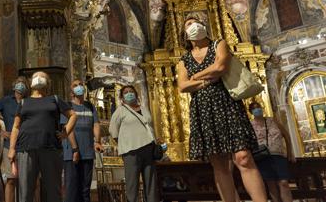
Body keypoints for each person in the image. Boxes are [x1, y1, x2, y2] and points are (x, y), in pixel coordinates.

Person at [177, 16, 267, 202]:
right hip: (203, 110)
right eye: (189, 24)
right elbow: (182, 86)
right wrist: (205, 81)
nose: (195, 26)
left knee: (243, 157)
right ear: (184, 34)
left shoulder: (219, 44)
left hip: (227, 104)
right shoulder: (184, 60)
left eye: (198, 22)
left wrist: (196, 77)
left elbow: (221, 66)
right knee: (219, 164)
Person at [8, 71, 77, 202]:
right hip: (25, 148)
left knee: (53, 190)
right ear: (31, 82)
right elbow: (16, 126)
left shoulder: (55, 99)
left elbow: (73, 115)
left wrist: (65, 132)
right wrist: (12, 148)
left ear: (48, 83)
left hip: (51, 148)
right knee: (26, 191)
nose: (39, 78)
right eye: (35, 77)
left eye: (43, 77)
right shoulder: (23, 102)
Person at [109, 85, 159, 202]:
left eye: (131, 91)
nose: (129, 93)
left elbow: (149, 126)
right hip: (131, 151)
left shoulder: (144, 108)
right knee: (132, 183)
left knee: (151, 182)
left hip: (148, 149)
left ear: (136, 94)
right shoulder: (120, 111)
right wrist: (124, 142)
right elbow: (113, 131)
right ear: (122, 97)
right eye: (126, 92)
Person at [62, 79, 103, 202]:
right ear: (71, 92)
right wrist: (75, 149)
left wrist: (97, 141)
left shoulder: (90, 106)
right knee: (72, 188)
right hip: (72, 153)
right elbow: (68, 130)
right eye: (75, 85)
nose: (79, 87)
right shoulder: (67, 106)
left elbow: (95, 124)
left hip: (88, 152)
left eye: (80, 84)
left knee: (85, 189)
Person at [249, 101, 296, 202]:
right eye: (254, 108)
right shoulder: (250, 125)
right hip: (263, 157)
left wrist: (290, 153)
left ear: (262, 108)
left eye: (258, 107)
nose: (257, 109)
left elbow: (286, 136)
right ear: (251, 111)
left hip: (278, 155)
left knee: (284, 183)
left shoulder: (273, 121)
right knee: (272, 186)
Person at [0, 76, 29, 202]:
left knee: (28, 180)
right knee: (11, 179)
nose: (21, 85)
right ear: (14, 86)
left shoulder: (29, 101)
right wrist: (0, 131)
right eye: (19, 82)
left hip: (28, 145)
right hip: (10, 145)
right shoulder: (6, 101)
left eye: (23, 83)